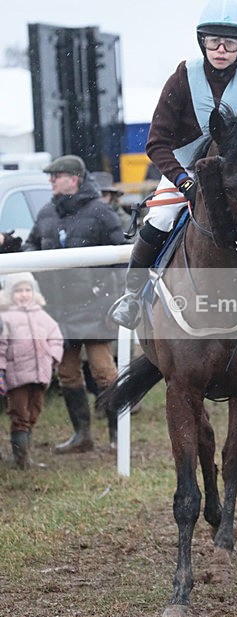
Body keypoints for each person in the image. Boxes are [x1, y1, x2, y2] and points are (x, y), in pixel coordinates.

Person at [111, 0, 237, 330]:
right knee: (160, 217)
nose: (220, 50)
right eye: (213, 41)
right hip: (184, 169)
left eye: (229, 44)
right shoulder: (180, 79)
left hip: (233, 173)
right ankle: (132, 295)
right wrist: (183, 181)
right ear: (202, 42)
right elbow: (156, 142)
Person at [23, 155, 126, 454]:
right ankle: (82, 436)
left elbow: (122, 258)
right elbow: (32, 247)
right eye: (52, 176)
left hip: (96, 307)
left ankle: (118, 436)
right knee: (67, 373)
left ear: (75, 179)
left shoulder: (101, 213)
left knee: (104, 371)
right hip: (59, 309)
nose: (51, 181)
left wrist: (116, 302)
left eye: (57, 176)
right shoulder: (46, 213)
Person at [0, 272, 63, 469]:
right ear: (9, 294)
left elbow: (56, 337)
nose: (24, 295)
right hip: (16, 376)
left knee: (34, 411)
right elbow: (1, 346)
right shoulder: (5, 318)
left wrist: (52, 357)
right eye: (18, 291)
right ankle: (22, 461)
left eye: (27, 290)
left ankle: (24, 451)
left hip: (40, 374)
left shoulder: (42, 315)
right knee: (20, 415)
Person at [92, 172, 132, 237]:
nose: (100, 199)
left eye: (104, 195)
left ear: (112, 196)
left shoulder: (126, 221)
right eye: (96, 195)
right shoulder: (81, 219)